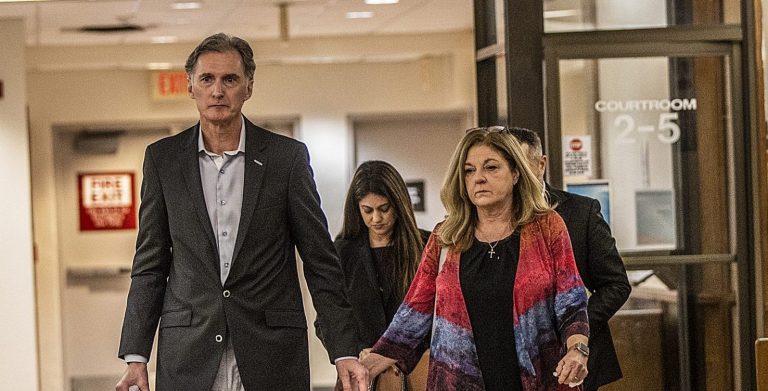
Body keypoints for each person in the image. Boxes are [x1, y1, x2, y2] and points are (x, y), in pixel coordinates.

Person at [115, 33, 367, 391]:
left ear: (248, 86)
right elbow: (150, 264)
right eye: (207, 79)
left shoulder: (287, 159)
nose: (218, 90)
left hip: (272, 351)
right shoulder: (163, 160)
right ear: (190, 86)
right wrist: (136, 356)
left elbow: (320, 260)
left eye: (229, 79)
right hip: (190, 352)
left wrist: (344, 350)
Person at [360, 127, 590, 391]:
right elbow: (416, 309)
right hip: (459, 381)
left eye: (491, 168)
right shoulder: (446, 237)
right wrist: (372, 361)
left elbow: (571, 303)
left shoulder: (546, 227)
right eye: (469, 170)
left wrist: (577, 349)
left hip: (538, 379)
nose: (478, 178)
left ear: (515, 173)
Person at [510, 126, 631, 391]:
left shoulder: (580, 212)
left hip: (574, 358)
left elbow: (616, 284)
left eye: (521, 164)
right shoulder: (492, 221)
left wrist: (574, 326)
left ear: (540, 165)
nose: (515, 175)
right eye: (508, 165)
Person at [316, 160, 431, 390]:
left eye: (384, 208)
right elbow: (327, 319)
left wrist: (394, 352)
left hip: (418, 372)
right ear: (356, 208)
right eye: (367, 210)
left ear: (399, 205)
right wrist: (355, 349)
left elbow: (435, 315)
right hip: (361, 373)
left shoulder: (426, 246)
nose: (376, 219)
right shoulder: (342, 252)